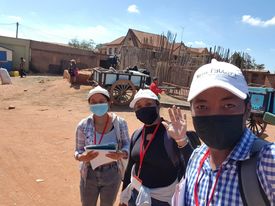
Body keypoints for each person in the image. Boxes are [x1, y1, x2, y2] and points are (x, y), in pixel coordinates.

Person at [172, 59, 275, 205]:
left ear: (247, 109)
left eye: (228, 105)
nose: (215, 115)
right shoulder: (196, 159)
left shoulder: (267, 163)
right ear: (191, 110)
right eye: (202, 107)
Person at [120, 89, 200, 206]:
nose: (143, 108)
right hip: (135, 195)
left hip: (163, 200)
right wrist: (123, 197)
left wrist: (181, 139)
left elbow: (193, 166)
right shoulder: (137, 134)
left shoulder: (172, 133)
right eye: (139, 106)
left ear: (158, 106)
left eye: (148, 104)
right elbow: (130, 167)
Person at [74, 85, 130, 206]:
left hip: (112, 173)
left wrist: (122, 153)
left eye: (101, 101)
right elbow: (77, 151)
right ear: (89, 105)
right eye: (93, 102)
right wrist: (82, 157)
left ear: (109, 102)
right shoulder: (82, 125)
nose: (97, 104)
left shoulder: (120, 123)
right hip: (89, 173)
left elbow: (127, 145)